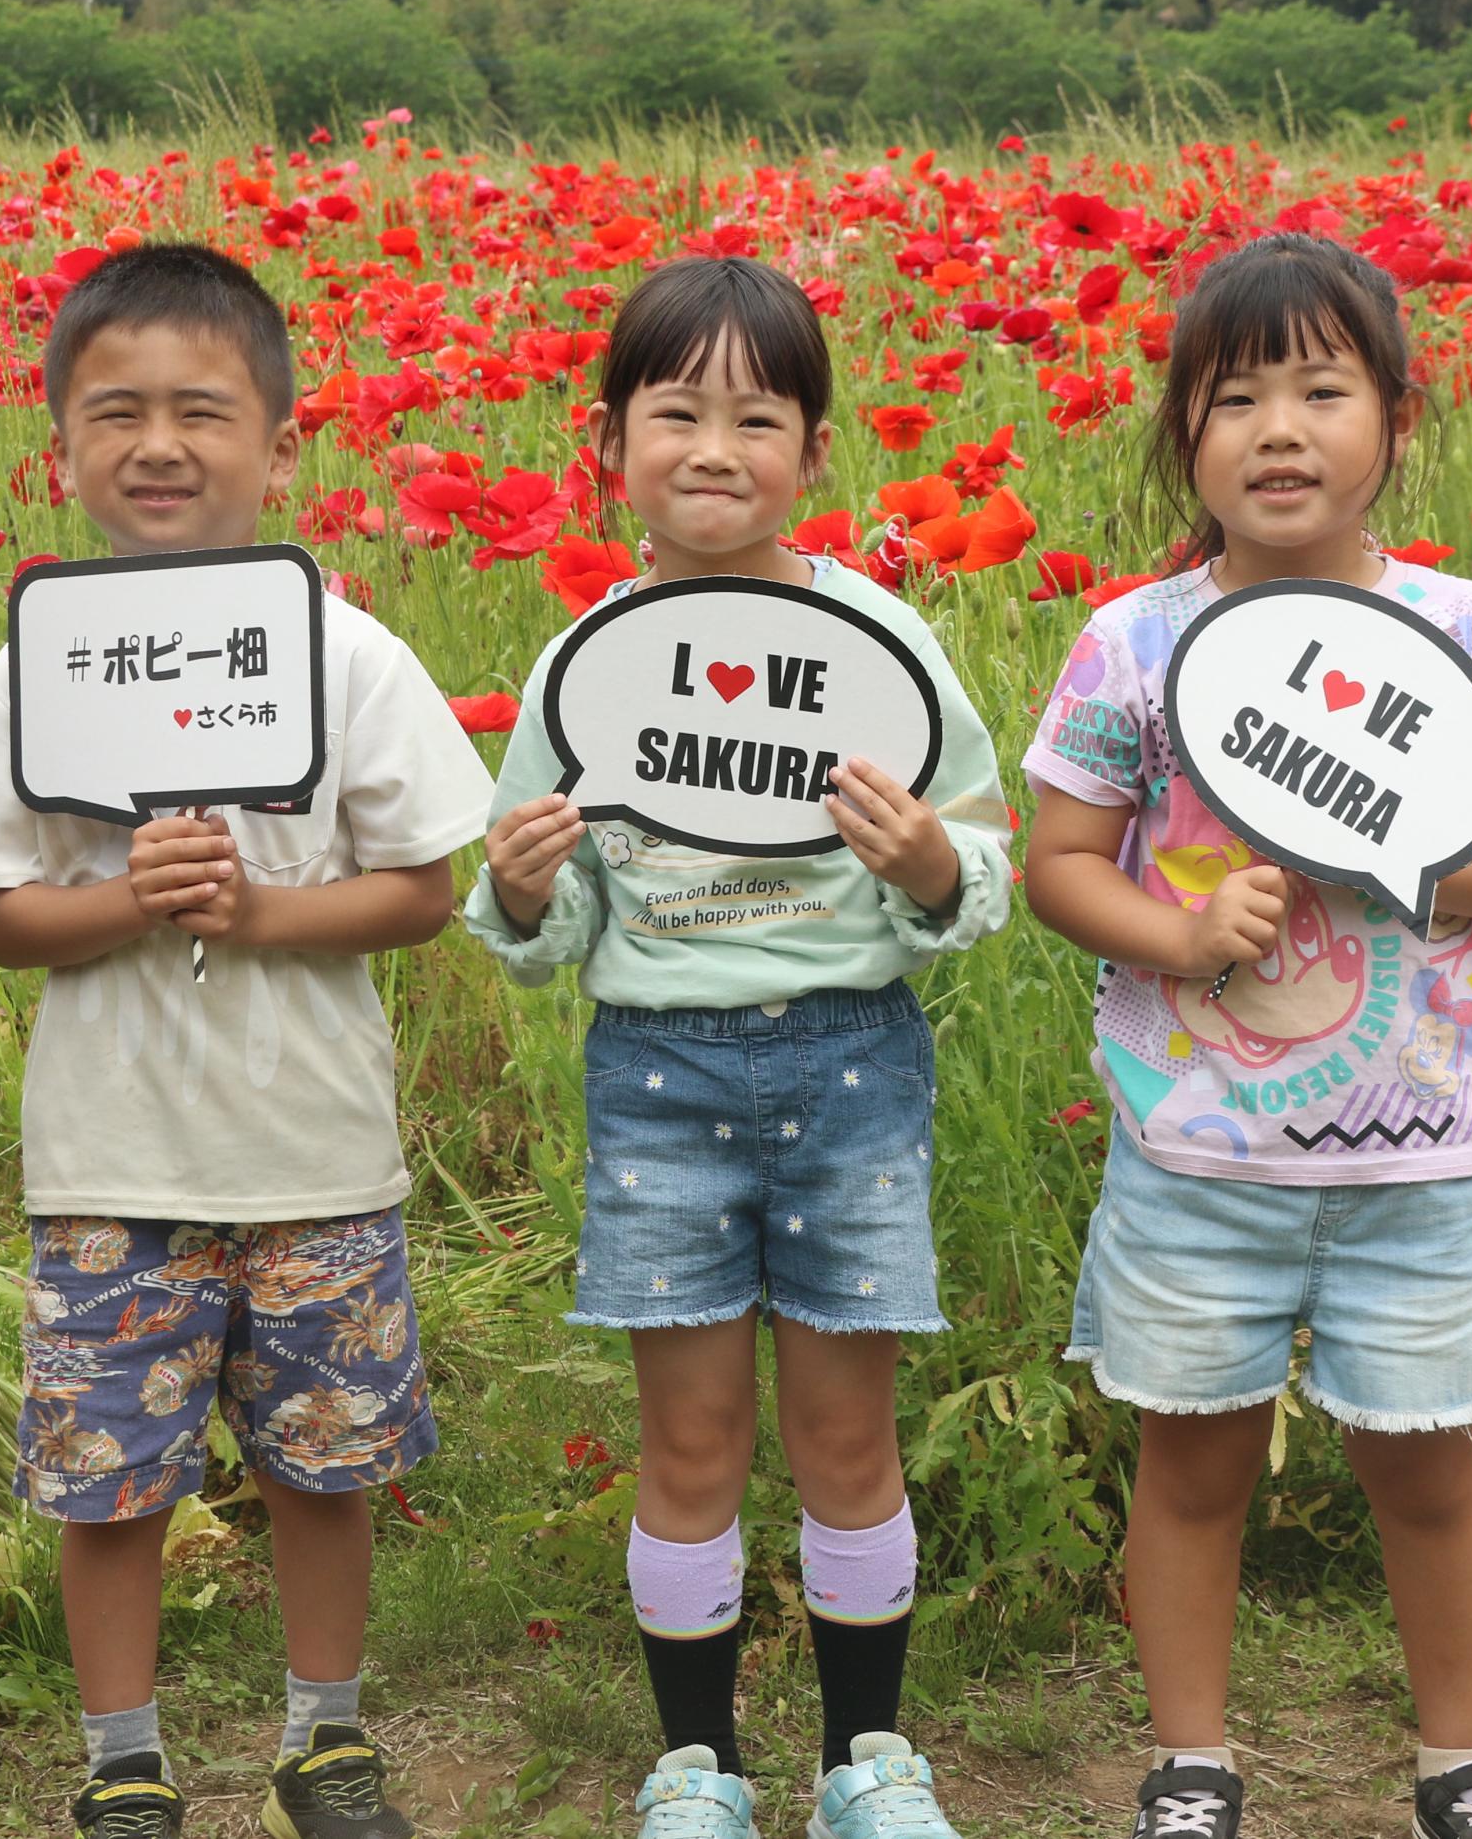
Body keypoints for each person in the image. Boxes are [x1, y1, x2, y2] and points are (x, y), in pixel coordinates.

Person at [1020, 233, 1472, 1839]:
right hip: (1192, 1145)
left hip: (1420, 1146)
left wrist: (1399, 864)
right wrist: (1181, 935)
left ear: (1397, 422)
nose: (1279, 429)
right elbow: (1059, 864)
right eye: (1234, 398)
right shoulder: (1131, 642)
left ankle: (1459, 1766)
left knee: (1425, 1467)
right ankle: (1191, 1766)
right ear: (1181, 439)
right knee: (1189, 1467)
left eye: (1320, 391)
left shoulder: (1465, 633)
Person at [0, 244, 491, 1839]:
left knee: (324, 1463)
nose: (159, 445)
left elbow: (421, 891)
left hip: (313, 1151)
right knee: (107, 1482)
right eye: (116, 414)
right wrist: (120, 901)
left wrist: (253, 911)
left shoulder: (349, 651)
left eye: (201, 411)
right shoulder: (32, 667)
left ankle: (326, 1738)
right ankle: (124, 1761)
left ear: (281, 448)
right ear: (57, 453)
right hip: (109, 1157)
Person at [465, 256, 1013, 1839]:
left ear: (816, 452)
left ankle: (868, 1760)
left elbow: (976, 858)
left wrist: (921, 865)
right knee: (688, 1434)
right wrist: (516, 888)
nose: (714, 448)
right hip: (657, 1073)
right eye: (675, 413)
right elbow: (553, 917)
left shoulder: (880, 645)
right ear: (608, 443)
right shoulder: (589, 664)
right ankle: (695, 1764)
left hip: (853, 1064)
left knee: (848, 1429)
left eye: (756, 417)